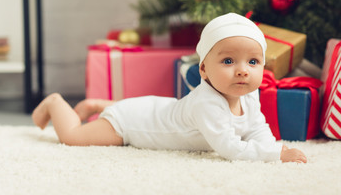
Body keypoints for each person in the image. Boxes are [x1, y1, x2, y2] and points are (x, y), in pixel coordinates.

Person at [32, 13, 307, 163]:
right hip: (130, 123)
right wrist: (276, 155)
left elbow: (256, 127)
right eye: (227, 60)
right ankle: (55, 102)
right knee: (72, 137)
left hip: (155, 108)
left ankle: (98, 104)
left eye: (253, 61)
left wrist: (271, 148)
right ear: (203, 70)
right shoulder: (207, 103)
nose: (242, 69)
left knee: (156, 109)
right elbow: (229, 148)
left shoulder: (248, 93)